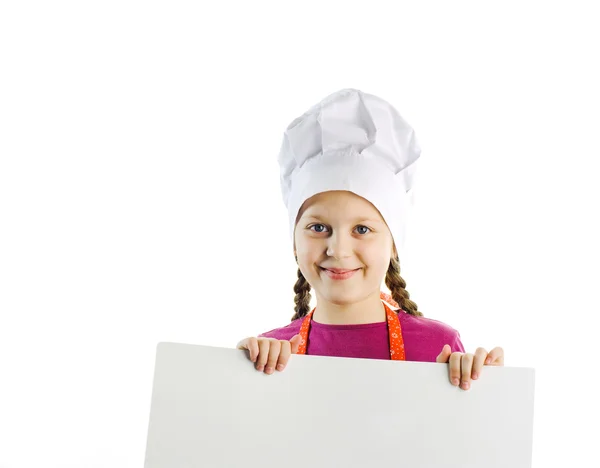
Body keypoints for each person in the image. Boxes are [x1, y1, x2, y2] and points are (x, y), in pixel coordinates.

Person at [237, 88, 503, 391]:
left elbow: (459, 436)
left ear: (393, 243)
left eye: (362, 229)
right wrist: (234, 378)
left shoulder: (438, 348)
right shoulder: (270, 354)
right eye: (318, 227)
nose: (338, 250)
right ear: (294, 242)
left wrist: (485, 392)